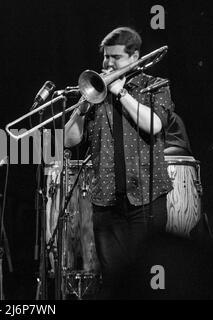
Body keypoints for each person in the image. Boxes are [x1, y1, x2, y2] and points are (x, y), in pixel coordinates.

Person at [64, 27, 174, 298]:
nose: (107, 64)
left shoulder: (155, 85)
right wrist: (82, 107)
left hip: (147, 200)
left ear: (134, 56)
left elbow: (155, 125)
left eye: (115, 57)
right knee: (114, 281)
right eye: (105, 57)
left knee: (149, 279)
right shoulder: (95, 93)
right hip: (106, 203)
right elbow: (69, 140)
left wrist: (122, 94)